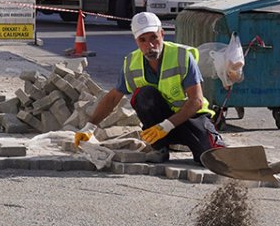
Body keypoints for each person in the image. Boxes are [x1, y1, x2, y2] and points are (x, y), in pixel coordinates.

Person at [74, 12, 224, 164]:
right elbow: (113, 97)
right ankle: (160, 148)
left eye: (154, 37)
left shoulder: (182, 56)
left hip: (189, 118)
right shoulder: (132, 63)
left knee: (210, 159)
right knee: (143, 94)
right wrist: (89, 127)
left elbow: (196, 101)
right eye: (143, 40)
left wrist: (166, 126)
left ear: (162, 34)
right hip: (160, 127)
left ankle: (208, 144)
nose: (150, 45)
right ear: (136, 41)